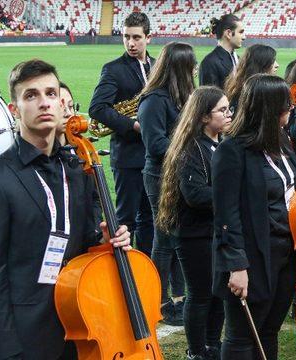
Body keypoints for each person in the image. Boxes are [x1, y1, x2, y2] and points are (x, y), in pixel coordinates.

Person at [0, 59, 132, 360]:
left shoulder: (77, 169)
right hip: (23, 339)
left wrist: (105, 242)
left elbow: (82, 242)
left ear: (61, 103)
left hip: (78, 324)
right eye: (31, 95)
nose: (44, 103)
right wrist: (8, 354)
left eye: (51, 94)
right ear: (14, 109)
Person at [212, 74, 296, 360]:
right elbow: (226, 214)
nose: (292, 110)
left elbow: (288, 185)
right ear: (270, 109)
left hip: (286, 253)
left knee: (270, 329)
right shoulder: (231, 152)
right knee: (243, 336)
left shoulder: (281, 141)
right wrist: (236, 266)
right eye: (286, 106)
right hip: (253, 255)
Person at [158, 86, 232, 360]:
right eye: (222, 110)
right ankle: (197, 352)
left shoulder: (218, 142)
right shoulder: (192, 147)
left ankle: (212, 345)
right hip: (194, 234)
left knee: (219, 294)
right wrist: (234, 194)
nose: (228, 114)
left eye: (228, 108)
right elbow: (195, 194)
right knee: (201, 295)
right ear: (203, 117)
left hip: (213, 231)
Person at [138, 42, 196, 326]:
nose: (195, 69)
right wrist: (190, 148)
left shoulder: (179, 96)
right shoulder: (153, 99)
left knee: (176, 238)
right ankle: (158, 299)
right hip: (160, 176)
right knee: (163, 240)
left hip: (178, 173)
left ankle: (178, 296)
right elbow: (155, 143)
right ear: (179, 68)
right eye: (191, 65)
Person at [89, 12, 155, 257]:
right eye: (126, 37)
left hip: (155, 156)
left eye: (136, 37)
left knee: (150, 219)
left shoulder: (158, 65)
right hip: (128, 156)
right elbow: (97, 108)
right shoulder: (113, 69)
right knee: (126, 221)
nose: (131, 43)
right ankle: (123, 273)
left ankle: (148, 268)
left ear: (148, 37)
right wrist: (133, 125)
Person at [224, 44, 278, 112]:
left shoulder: (239, 89)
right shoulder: (255, 95)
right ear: (261, 65)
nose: (277, 65)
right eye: (272, 61)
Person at [199, 14, 245, 89]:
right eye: (241, 32)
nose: (244, 37)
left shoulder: (238, 59)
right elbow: (208, 98)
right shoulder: (209, 63)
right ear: (228, 33)